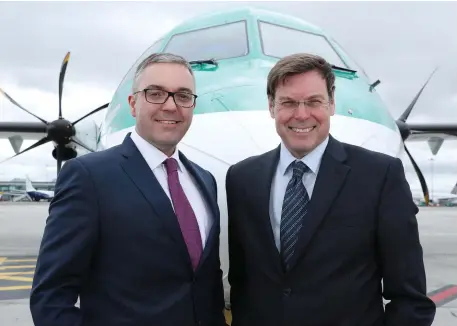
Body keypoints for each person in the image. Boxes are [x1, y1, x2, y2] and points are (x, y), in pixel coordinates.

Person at [225, 53, 436, 326]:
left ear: (332, 103)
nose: (301, 115)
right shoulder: (242, 178)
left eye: (314, 101)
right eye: (288, 102)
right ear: (271, 106)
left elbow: (410, 299)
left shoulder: (380, 175)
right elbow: (241, 282)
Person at [30, 53, 226, 326]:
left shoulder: (204, 180)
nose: (171, 106)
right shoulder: (88, 176)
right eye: (155, 93)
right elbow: (51, 295)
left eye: (183, 96)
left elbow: (206, 278)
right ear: (133, 104)